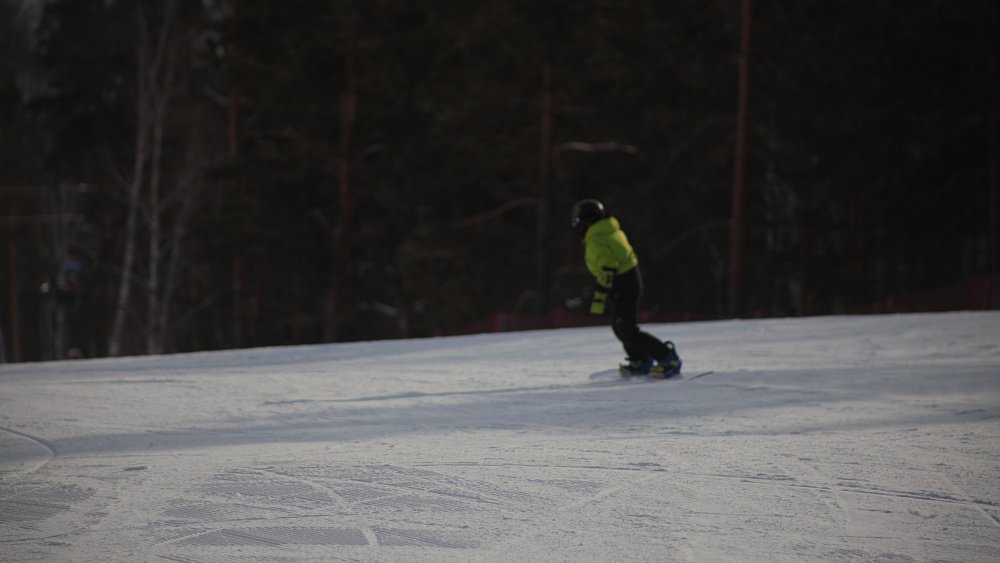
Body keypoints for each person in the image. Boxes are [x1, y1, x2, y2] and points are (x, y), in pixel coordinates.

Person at [570, 199, 682, 377]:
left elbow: (608, 267)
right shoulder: (606, 231)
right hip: (626, 281)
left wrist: (598, 298)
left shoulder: (598, 237)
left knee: (627, 328)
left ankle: (667, 357)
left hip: (624, 283)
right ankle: (640, 359)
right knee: (620, 327)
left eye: (577, 221)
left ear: (587, 222)